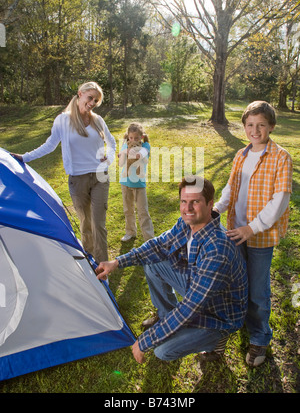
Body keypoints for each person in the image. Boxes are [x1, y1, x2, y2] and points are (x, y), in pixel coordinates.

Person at [96, 176, 248, 364]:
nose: (187, 208)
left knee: (162, 350)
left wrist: (146, 341)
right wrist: (117, 262)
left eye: (195, 202)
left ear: (210, 204)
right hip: (198, 289)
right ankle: (167, 317)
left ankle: (217, 339)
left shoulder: (217, 249)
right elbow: (158, 246)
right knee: (153, 261)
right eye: (184, 201)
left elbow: (190, 307)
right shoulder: (186, 223)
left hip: (219, 314)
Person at [214, 100, 293, 367]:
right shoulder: (241, 154)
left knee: (258, 290)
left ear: (271, 126)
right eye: (250, 125)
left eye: (261, 125)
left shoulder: (281, 157)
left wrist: (252, 228)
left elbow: (279, 201)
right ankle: (233, 327)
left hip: (259, 236)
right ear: (244, 126)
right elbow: (230, 188)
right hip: (235, 231)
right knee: (234, 284)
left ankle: (260, 336)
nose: (255, 130)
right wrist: (216, 210)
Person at [11, 81, 116, 264]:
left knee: (98, 224)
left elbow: (112, 143)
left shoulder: (98, 120)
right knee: (85, 225)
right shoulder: (63, 120)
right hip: (78, 179)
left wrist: (108, 159)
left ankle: (103, 266)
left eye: (96, 101)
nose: (92, 103)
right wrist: (25, 157)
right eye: (90, 98)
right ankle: (90, 261)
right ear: (80, 94)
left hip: (100, 177)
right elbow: (50, 145)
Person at [118, 122, 154, 242]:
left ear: (141, 137)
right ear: (128, 137)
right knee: (128, 210)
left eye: (136, 138)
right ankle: (130, 232)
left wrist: (137, 154)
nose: (133, 140)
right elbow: (121, 164)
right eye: (131, 138)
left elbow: (143, 154)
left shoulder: (145, 146)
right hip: (125, 182)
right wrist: (123, 154)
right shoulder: (125, 146)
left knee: (143, 211)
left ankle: (149, 237)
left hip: (139, 183)